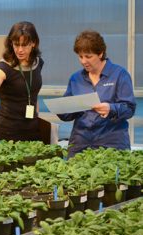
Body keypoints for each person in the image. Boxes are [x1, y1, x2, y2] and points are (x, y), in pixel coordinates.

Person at [57, 30, 136, 158]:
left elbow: (129, 109)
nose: (83, 61)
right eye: (80, 56)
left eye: (88, 56)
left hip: (112, 143)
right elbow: (67, 116)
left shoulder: (119, 75)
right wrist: (61, 109)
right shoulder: (75, 78)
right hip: (80, 143)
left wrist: (111, 108)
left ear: (100, 53)